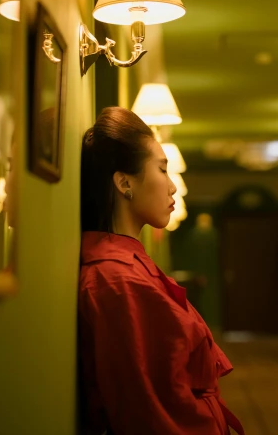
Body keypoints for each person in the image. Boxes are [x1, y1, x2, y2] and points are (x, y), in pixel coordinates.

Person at [78, 107, 244, 435]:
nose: (173, 188)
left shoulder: (130, 264)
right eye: (162, 169)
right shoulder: (118, 280)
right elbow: (151, 414)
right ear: (124, 182)